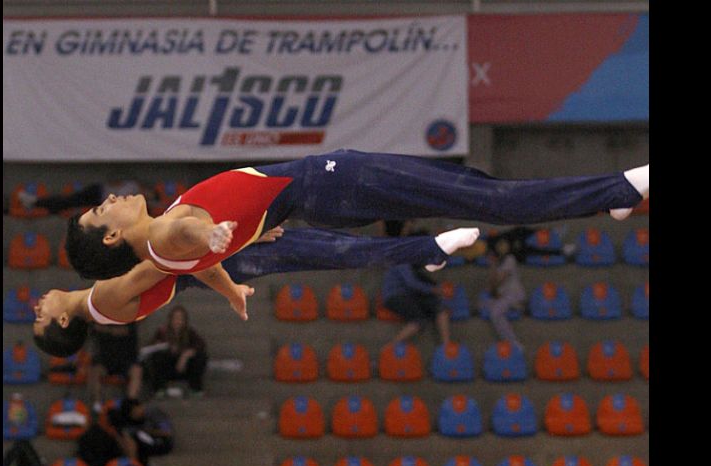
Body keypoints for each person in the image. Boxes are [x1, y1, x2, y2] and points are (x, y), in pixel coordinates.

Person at [64, 149, 648, 285]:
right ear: (113, 233)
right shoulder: (169, 231)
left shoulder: (164, 255)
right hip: (336, 182)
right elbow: (192, 232)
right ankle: (624, 186)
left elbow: (194, 255)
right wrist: (212, 232)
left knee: (467, 188)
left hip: (327, 199)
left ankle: (605, 199)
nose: (109, 198)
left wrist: (241, 246)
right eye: (101, 210)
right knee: (488, 201)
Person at [33, 226, 478, 357]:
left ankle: (420, 252)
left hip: (208, 262)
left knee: (325, 249)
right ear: (64, 320)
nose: (37, 305)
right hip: (214, 262)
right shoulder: (102, 301)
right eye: (40, 316)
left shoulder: (100, 304)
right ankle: (422, 251)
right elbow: (161, 261)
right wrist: (242, 240)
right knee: (328, 250)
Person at [381, 232, 452, 345]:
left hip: (409, 295)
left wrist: (435, 289)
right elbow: (412, 283)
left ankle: (446, 345)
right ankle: (391, 347)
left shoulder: (413, 263)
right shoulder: (402, 258)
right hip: (396, 296)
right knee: (418, 320)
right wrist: (434, 290)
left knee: (440, 306)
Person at [142, 305, 208, 399]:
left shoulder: (190, 333)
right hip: (167, 367)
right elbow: (151, 347)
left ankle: (195, 388)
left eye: (180, 318)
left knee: (200, 357)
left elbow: (200, 345)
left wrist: (185, 355)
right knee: (157, 357)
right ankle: (159, 388)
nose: (177, 321)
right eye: (175, 318)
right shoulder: (162, 332)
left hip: (184, 368)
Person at [107, 398, 174, 466]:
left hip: (161, 442)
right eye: (132, 414)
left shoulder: (153, 412)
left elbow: (167, 433)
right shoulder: (130, 421)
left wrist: (146, 431)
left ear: (139, 406)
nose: (135, 416)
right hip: (144, 442)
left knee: (133, 436)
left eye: (135, 412)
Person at [87, 323, 143, 413]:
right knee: (94, 370)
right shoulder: (101, 317)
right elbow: (93, 327)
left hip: (126, 359)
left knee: (137, 370)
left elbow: (123, 331)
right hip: (105, 360)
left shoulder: (130, 318)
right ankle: (97, 404)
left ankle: (130, 403)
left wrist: (106, 330)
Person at [17, 179, 156, 215]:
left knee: (69, 202)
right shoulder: (134, 186)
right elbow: (116, 183)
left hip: (102, 201)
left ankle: (37, 203)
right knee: (69, 200)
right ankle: (37, 202)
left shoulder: (138, 204)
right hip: (99, 191)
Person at [481, 238, 527, 351]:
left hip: (514, 295)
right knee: (482, 304)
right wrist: (493, 265)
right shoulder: (496, 264)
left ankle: (514, 343)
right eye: (500, 245)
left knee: (495, 313)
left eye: (504, 245)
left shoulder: (510, 259)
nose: (502, 247)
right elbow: (491, 289)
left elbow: (497, 282)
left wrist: (493, 267)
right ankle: (513, 307)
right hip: (502, 296)